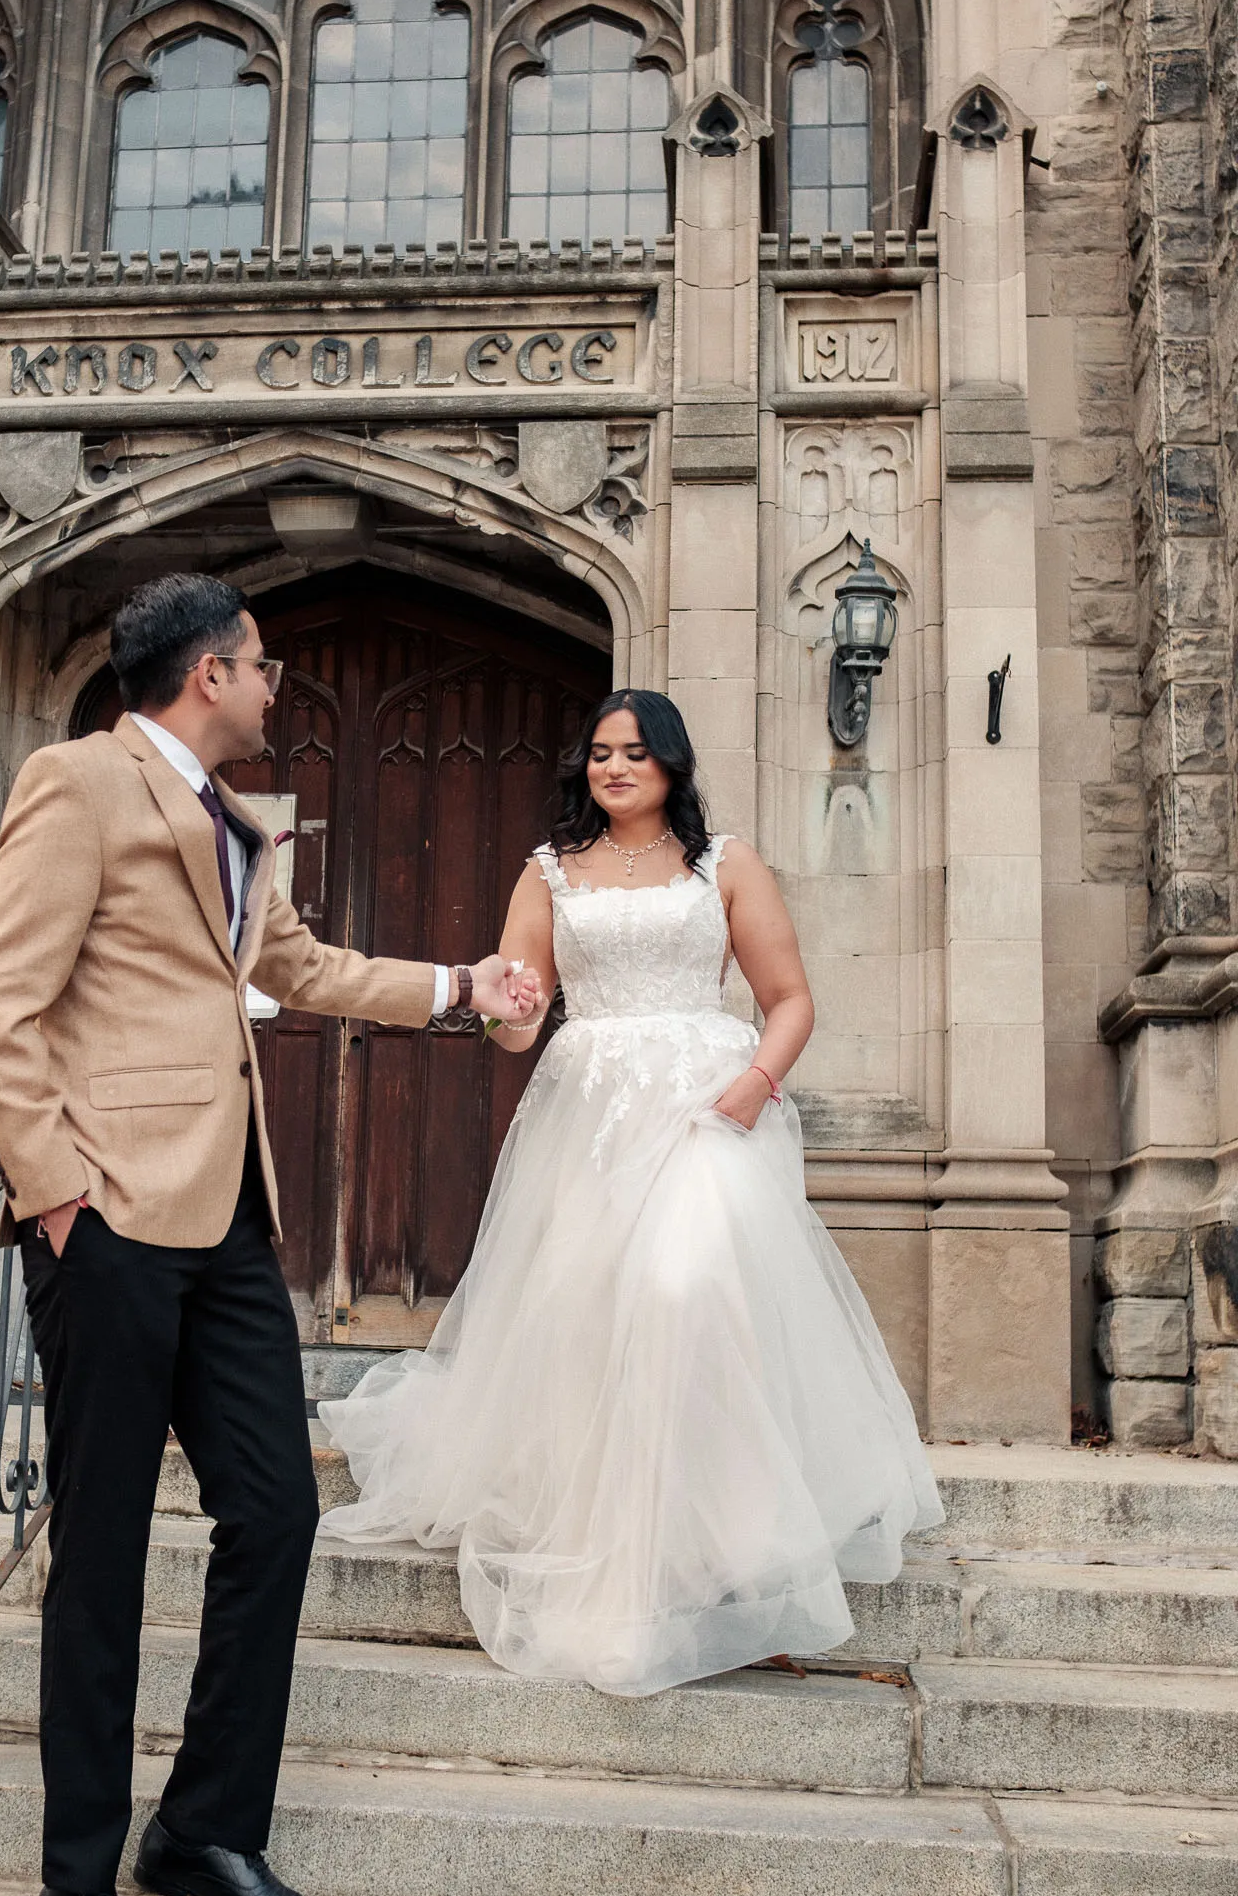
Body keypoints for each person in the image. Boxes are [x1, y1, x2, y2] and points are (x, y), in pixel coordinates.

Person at [0, 573, 539, 1896]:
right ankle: (77, 1882)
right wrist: (57, 1195)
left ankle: (205, 1831)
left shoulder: (236, 827)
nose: (278, 687)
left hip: (225, 1216)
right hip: (110, 1219)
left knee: (273, 1514)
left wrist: (463, 990)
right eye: (263, 667)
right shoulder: (78, 783)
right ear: (209, 674)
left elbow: (297, 969)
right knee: (98, 1554)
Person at [319, 688, 942, 1695]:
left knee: (684, 1289)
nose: (615, 768)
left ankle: (734, 1538)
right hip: (592, 1114)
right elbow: (517, 1020)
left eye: (636, 753)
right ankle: (631, 1546)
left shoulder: (724, 863)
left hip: (708, 1110)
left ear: (670, 766)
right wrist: (501, 1009)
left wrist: (748, 1090)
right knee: (595, 1315)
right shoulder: (547, 874)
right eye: (602, 753)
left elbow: (790, 1000)